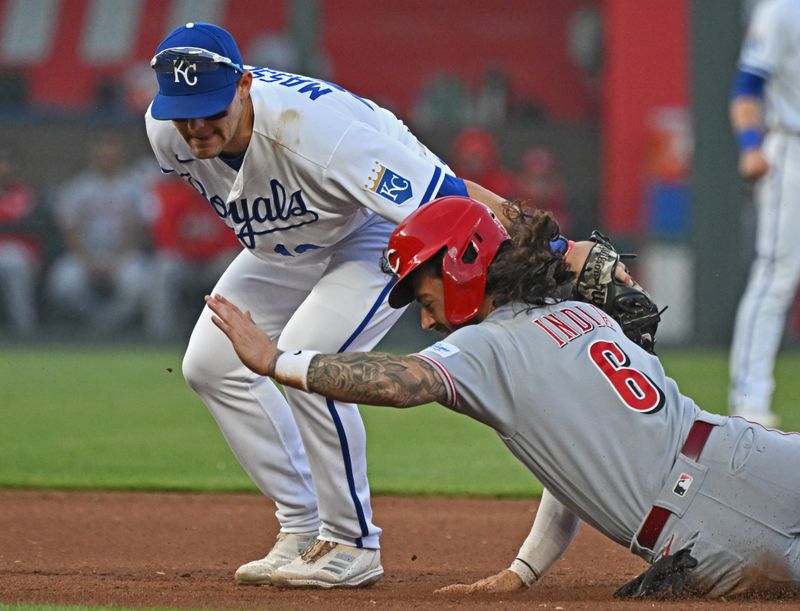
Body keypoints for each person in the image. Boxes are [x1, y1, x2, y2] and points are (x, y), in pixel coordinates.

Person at [145, 22, 621, 589]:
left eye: (209, 108)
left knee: (311, 360)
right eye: (183, 110)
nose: (196, 126)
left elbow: (448, 196)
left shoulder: (323, 137)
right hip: (287, 243)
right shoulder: (165, 132)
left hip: (369, 227)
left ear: (244, 85)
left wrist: (559, 250)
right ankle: (301, 526)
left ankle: (351, 543)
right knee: (210, 365)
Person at [206, 196, 800, 599]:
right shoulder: (572, 312)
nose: (426, 314)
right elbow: (567, 468)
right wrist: (525, 569)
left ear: (460, 264)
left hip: (703, 525)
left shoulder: (488, 349)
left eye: (421, 288)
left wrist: (276, 361)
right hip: (747, 453)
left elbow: (402, 382)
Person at [728, 0, 800, 428]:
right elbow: (747, 88)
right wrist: (751, 145)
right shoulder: (781, 10)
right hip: (791, 146)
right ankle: (750, 400)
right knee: (776, 273)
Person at [45, 133, 152, 335]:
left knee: (138, 283)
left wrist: (117, 259)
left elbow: (141, 229)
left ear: (120, 156)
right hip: (85, 255)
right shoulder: (77, 187)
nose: (107, 160)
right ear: (94, 156)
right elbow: (69, 230)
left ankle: (110, 326)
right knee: (63, 283)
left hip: (124, 256)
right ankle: (91, 324)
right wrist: (88, 260)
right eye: (103, 156)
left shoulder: (135, 187)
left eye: (112, 156)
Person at [145, 172, 241, 341]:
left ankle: (235, 328)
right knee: (166, 267)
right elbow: (167, 239)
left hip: (213, 263)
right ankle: (160, 335)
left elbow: (233, 240)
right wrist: (192, 255)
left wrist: (205, 255)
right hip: (186, 263)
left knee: (232, 263)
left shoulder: (225, 199)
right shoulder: (175, 197)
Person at [0, 146, 41, 337]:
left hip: (17, 250)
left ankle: (24, 330)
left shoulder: (24, 194)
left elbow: (14, 216)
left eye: (6, 162)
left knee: (14, 263)